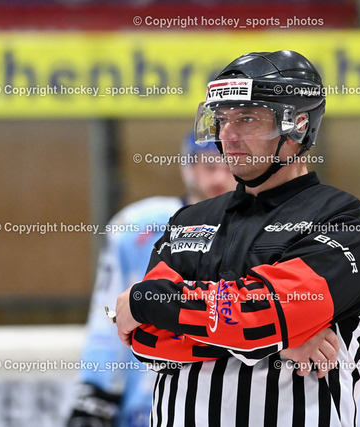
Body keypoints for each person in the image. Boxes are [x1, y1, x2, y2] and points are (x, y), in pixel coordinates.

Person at [114, 50, 360, 426]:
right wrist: (275, 343)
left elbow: (258, 316)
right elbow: (147, 341)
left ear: (297, 125)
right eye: (222, 119)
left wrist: (146, 300)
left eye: (247, 118)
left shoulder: (342, 220)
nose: (227, 134)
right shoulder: (191, 219)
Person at [67, 135, 236, 427]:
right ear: (188, 166)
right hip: (144, 407)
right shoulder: (138, 226)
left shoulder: (260, 230)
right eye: (209, 165)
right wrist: (96, 393)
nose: (219, 177)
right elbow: (108, 314)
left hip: (227, 402)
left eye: (228, 166)